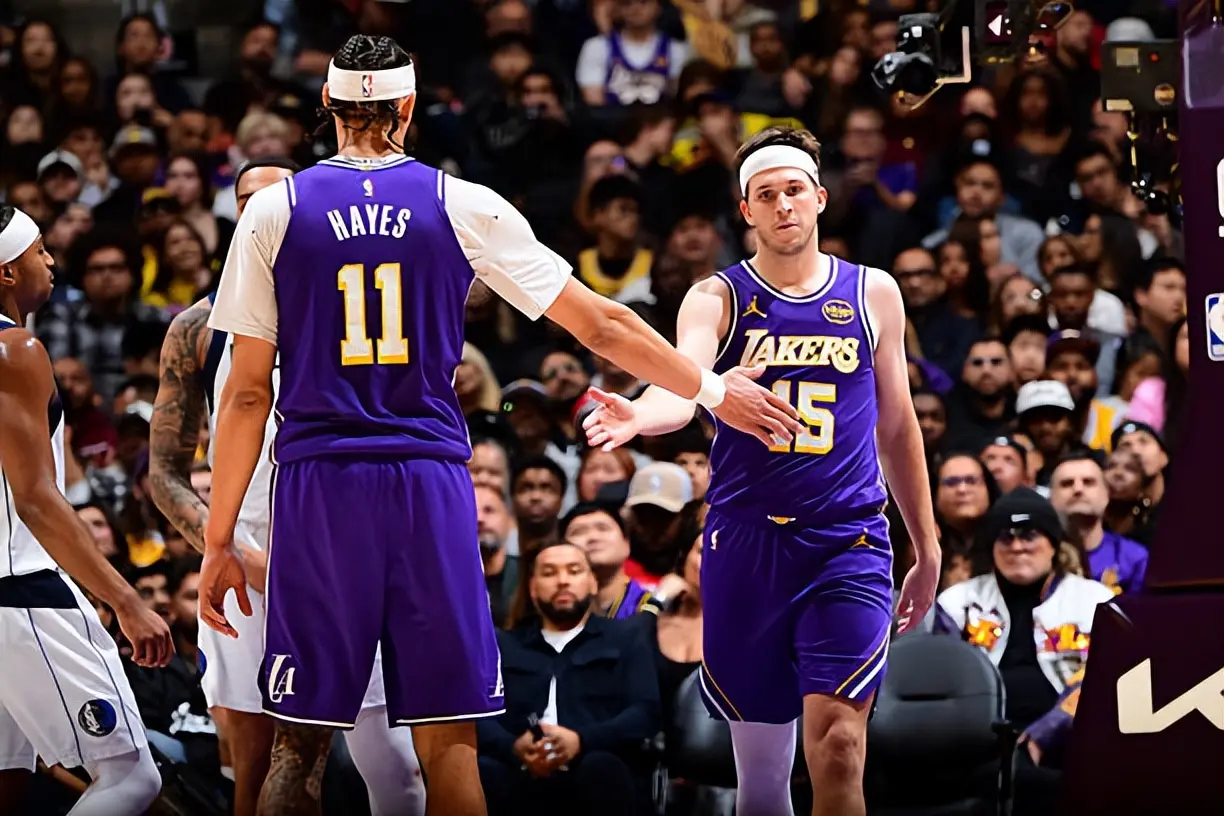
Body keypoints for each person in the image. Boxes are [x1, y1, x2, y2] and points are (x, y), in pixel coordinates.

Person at [199, 35, 800, 816]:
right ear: (408, 106)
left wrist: (219, 540)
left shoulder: (273, 209)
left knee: (300, 743)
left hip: (320, 487)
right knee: (449, 742)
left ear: (327, 106)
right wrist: (713, 390)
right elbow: (603, 324)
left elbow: (247, 395)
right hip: (428, 484)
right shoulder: (462, 203)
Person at [584, 126, 941, 816]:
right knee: (762, 773)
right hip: (746, 541)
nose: (783, 205)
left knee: (839, 747)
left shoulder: (873, 292)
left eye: (794, 191)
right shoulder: (715, 297)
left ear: (820, 198)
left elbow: (898, 427)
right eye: (766, 195)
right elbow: (681, 384)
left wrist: (925, 546)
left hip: (846, 539)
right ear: (746, 210)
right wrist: (637, 414)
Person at [148, 158, 425, 816]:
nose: (261, 211)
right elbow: (163, 473)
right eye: (247, 200)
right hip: (241, 556)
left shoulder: (359, 307)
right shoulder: (198, 328)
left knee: (396, 765)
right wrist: (229, 548)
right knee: (260, 765)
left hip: (347, 549)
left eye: (276, 199)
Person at [0, 206, 170, 815]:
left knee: (7, 780)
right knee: (130, 779)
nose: (50, 261)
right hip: (21, 588)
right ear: (7, 271)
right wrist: (125, 599)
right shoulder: (15, 348)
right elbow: (35, 498)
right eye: (39, 251)